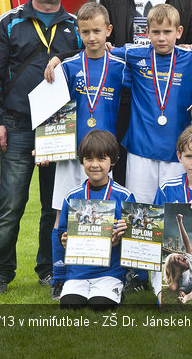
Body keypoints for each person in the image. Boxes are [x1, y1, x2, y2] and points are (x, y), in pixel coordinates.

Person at [0, 0, 81, 295]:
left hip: (59, 125)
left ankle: (49, 268)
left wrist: (63, 58)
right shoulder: (9, 21)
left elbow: (88, 64)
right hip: (17, 122)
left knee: (55, 205)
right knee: (11, 202)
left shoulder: (77, 26)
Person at [98, 0, 192, 188]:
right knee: (124, 177)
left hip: (167, 99)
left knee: (169, 187)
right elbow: (103, 44)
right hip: (123, 100)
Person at [48, 2, 128, 299]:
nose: (92, 37)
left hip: (105, 153)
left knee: (106, 210)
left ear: (108, 30)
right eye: (85, 32)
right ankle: (59, 274)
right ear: (78, 33)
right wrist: (45, 147)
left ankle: (111, 271)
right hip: (72, 152)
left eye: (97, 31)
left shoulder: (121, 67)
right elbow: (54, 111)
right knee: (62, 214)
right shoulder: (67, 67)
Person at [113, 4, 192, 203]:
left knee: (172, 212)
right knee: (140, 211)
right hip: (140, 150)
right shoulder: (133, 54)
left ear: (179, 32)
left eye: (167, 32)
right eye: (156, 32)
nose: (161, 38)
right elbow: (98, 49)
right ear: (147, 33)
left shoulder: (191, 57)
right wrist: (59, 58)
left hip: (176, 151)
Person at [57, 130, 134, 311]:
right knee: (70, 305)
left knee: (100, 306)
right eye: (89, 159)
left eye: (101, 159)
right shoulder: (72, 197)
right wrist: (64, 240)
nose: (95, 165)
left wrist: (122, 235)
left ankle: (117, 290)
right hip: (78, 272)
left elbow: (134, 242)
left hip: (110, 271)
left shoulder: (124, 196)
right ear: (81, 160)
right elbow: (61, 232)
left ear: (112, 161)